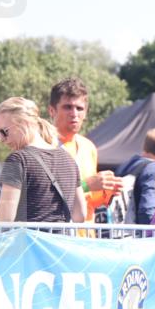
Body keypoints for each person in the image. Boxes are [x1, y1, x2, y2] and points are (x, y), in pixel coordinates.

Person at [0, 97, 86, 224]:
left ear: (24, 123)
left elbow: (6, 216)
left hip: (29, 242)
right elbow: (80, 214)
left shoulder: (17, 159)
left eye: (4, 132)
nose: (1, 139)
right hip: (59, 242)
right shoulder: (68, 158)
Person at [48, 78, 122, 222]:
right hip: (54, 237)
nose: (74, 113)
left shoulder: (88, 147)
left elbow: (91, 200)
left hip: (85, 236)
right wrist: (86, 185)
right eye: (67, 107)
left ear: (86, 113)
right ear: (52, 110)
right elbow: (42, 195)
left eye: (79, 108)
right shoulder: (42, 145)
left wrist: (107, 191)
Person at [114, 128, 155, 224]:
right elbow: (148, 210)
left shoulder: (124, 166)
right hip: (138, 234)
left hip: (118, 229)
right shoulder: (154, 170)